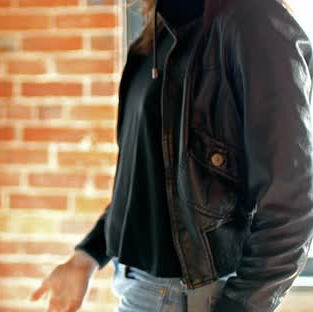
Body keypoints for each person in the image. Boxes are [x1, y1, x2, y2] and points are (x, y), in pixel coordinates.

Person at [32, 0, 313, 311]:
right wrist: (86, 257)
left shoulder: (254, 21)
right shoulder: (156, 33)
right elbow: (147, 183)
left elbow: (293, 203)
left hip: (190, 297)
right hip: (137, 287)